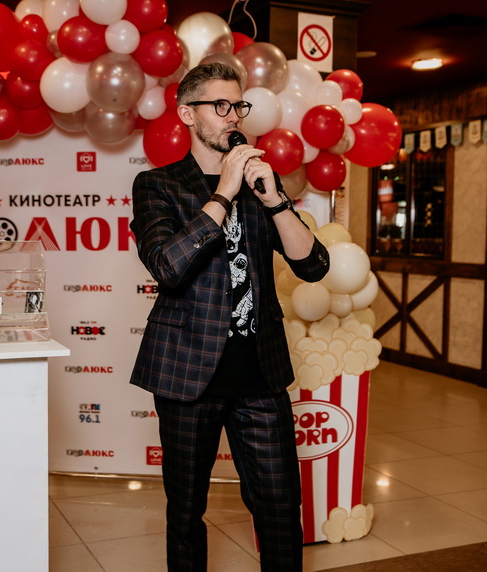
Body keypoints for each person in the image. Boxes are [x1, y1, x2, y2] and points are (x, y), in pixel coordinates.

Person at [129, 63, 330, 571]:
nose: (233, 116)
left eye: (238, 105)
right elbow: (167, 267)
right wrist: (223, 192)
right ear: (186, 114)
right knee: (186, 511)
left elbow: (313, 266)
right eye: (220, 106)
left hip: (260, 373)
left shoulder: (263, 184)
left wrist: (275, 200)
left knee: (280, 508)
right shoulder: (158, 185)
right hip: (187, 373)